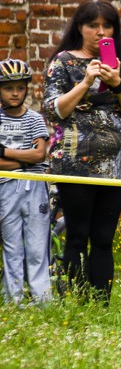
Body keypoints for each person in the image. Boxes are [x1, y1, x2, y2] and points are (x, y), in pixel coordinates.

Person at [43, 0, 121, 303]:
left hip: (113, 164)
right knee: (77, 235)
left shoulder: (118, 65)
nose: (100, 32)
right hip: (73, 162)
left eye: (107, 26)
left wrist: (117, 84)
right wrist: (86, 81)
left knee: (103, 239)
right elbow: (54, 111)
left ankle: (100, 302)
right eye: (93, 25)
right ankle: (76, 300)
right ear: (80, 27)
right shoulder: (62, 62)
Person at [0, 59, 50, 304]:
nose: (15, 93)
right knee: (12, 246)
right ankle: (13, 301)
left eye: (20, 87)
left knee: (38, 246)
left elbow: (40, 155)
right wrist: (25, 159)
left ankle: (42, 301)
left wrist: (5, 152)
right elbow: (31, 156)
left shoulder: (34, 120)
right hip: (5, 187)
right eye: (9, 88)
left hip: (34, 188)